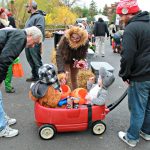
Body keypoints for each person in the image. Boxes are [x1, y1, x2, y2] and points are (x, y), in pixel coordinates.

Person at [116, 0, 150, 147]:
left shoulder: (131, 28)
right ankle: (146, 132)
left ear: (127, 13)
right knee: (148, 106)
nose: (120, 19)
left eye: (121, 16)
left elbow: (127, 55)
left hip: (140, 75)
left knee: (137, 107)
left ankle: (131, 138)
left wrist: (125, 74)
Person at [0, 26, 43, 138]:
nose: (33, 46)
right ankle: (1, 127)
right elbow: (5, 59)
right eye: (34, 42)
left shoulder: (17, 34)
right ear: (29, 36)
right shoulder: (20, 37)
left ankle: (2, 119)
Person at [25, 1, 46, 82]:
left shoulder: (39, 17)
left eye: (27, 6)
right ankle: (35, 76)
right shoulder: (31, 17)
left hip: (34, 42)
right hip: (27, 42)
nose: (26, 8)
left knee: (36, 60)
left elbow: (39, 29)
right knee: (30, 59)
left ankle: (42, 78)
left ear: (31, 7)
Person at [0, 7, 18, 93]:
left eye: (4, 13)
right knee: (5, 68)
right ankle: (7, 86)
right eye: (2, 14)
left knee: (9, 68)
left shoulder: (9, 21)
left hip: (10, 47)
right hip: (2, 48)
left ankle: (8, 85)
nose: (4, 15)